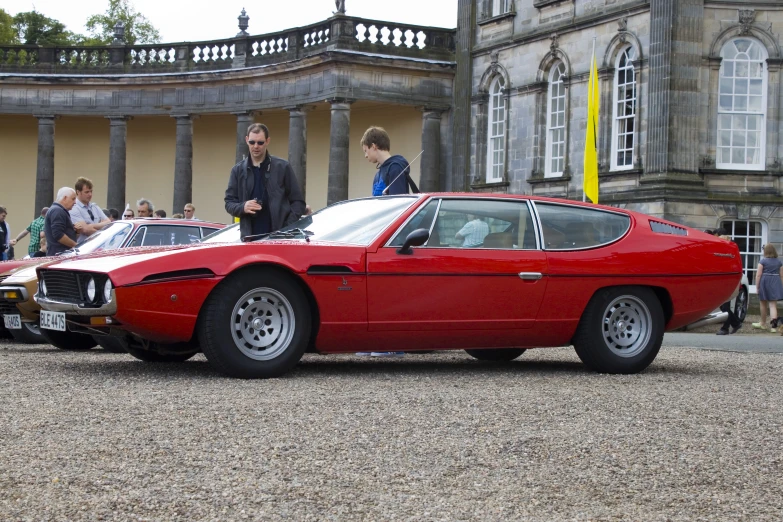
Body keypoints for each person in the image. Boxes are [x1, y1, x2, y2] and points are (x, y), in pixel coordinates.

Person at [224, 123, 306, 238]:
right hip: (249, 239)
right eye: (252, 142)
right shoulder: (237, 170)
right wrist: (243, 207)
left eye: (260, 142)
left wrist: (286, 228)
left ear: (267, 141)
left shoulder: (283, 167)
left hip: (279, 238)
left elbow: (298, 203)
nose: (256, 146)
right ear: (247, 140)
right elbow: (229, 203)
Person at [360, 126, 417, 196]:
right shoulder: (377, 175)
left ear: (373, 146)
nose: (365, 155)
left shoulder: (395, 168)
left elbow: (397, 203)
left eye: (366, 151)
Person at [711, 228, 742, 335]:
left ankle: (726, 327)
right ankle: (735, 323)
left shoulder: (728, 253)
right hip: (725, 281)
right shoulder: (728, 252)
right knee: (723, 305)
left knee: (724, 305)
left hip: (727, 281)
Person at [752, 243, 783, 332]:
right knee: (773, 305)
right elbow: (782, 276)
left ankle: (763, 323)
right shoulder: (779, 262)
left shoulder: (763, 261)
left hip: (765, 281)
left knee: (763, 303)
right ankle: (773, 327)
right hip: (775, 281)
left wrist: (757, 287)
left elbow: (758, 275)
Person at [70, 177, 110, 245]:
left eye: (91, 191)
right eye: (87, 192)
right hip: (83, 247)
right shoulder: (74, 208)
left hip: (97, 246)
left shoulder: (94, 207)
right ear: (78, 192)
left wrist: (91, 225)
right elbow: (86, 230)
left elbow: (108, 222)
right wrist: (103, 233)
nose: (90, 194)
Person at [44, 187, 79, 256]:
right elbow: (58, 235)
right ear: (65, 198)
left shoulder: (56, 210)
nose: (75, 202)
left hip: (58, 255)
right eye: (73, 199)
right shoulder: (58, 211)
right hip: (60, 256)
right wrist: (76, 246)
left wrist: (75, 231)